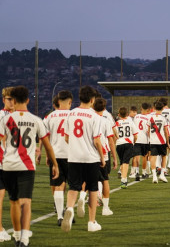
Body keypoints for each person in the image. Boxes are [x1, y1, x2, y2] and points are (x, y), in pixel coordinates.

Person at [0, 86, 59, 246]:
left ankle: (17, 235)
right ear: (27, 100)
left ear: (13, 99)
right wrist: (54, 164)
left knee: (13, 201)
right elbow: (47, 146)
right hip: (26, 166)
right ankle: (24, 238)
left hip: (8, 165)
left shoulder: (5, 120)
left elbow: (1, 141)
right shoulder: (36, 120)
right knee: (26, 201)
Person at [61, 85, 105, 233]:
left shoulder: (71, 114)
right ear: (92, 100)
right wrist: (102, 157)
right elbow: (97, 141)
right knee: (92, 189)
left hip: (73, 157)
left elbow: (67, 137)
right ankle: (91, 222)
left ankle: (69, 209)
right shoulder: (95, 116)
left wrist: (75, 145)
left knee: (73, 187)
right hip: (90, 157)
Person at [43, 90, 73, 227]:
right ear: (70, 102)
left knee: (58, 186)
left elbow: (44, 137)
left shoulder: (50, 117)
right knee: (73, 186)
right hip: (73, 155)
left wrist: (45, 155)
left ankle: (60, 216)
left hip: (56, 155)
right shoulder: (74, 115)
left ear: (58, 101)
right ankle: (70, 211)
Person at [93, 98, 118, 215]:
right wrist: (115, 157)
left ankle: (83, 198)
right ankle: (105, 208)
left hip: (89, 154)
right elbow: (111, 140)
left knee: (87, 180)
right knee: (105, 180)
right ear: (104, 108)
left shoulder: (89, 119)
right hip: (103, 153)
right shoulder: (105, 121)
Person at [0, 87, 14, 242]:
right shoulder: (1, 115)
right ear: (4, 99)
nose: (12, 102)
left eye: (14, 99)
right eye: (9, 99)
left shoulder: (18, 116)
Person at [147, 101, 169, 183]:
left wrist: (151, 138)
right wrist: (168, 141)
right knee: (164, 156)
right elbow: (166, 131)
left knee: (153, 157)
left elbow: (148, 131)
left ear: (155, 108)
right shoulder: (164, 118)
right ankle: (162, 175)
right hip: (162, 141)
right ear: (163, 108)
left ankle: (154, 176)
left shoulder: (150, 118)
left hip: (153, 141)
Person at [116, 107, 138, 189]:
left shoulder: (116, 123)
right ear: (127, 114)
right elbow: (135, 135)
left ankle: (123, 175)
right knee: (125, 162)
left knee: (122, 162)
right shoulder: (130, 122)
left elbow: (114, 135)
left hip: (119, 144)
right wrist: (134, 143)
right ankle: (124, 180)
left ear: (119, 114)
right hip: (128, 143)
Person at [132, 103, 150, 180]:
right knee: (145, 156)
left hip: (136, 139)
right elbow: (148, 131)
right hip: (145, 139)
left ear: (141, 108)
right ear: (148, 110)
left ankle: (136, 173)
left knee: (136, 156)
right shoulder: (149, 118)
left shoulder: (136, 116)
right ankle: (143, 172)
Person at [159, 98, 170, 173]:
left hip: (162, 133)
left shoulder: (160, 111)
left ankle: (162, 167)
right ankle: (169, 164)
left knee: (163, 151)